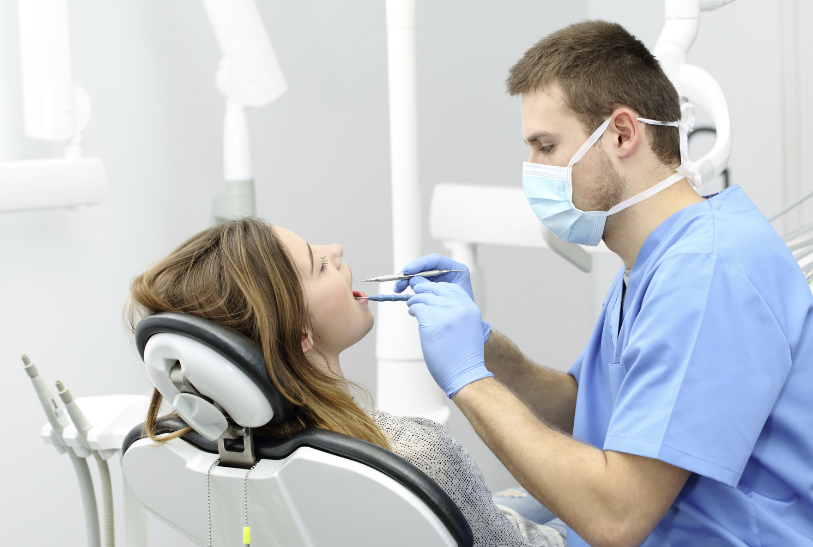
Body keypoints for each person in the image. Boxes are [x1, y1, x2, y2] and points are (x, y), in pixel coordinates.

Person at [396, 20, 813, 547]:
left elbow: (617, 517)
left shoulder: (707, 274)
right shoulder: (654, 260)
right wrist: (486, 348)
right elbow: (592, 409)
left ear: (621, 133)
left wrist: (468, 381)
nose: (532, 169)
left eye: (545, 146)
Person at [124, 217, 566, 547]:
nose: (336, 248)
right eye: (319, 265)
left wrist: (482, 340)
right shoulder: (416, 454)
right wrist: (470, 376)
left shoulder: (205, 450)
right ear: (302, 335)